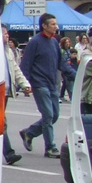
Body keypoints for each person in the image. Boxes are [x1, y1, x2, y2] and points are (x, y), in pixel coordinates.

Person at [18, 13, 74, 158]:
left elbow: (61, 63)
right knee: (48, 115)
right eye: (53, 24)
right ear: (44, 25)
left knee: (55, 115)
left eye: (56, 24)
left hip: (52, 84)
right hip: (39, 84)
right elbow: (26, 64)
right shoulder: (35, 42)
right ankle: (50, 148)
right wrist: (24, 84)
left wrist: (75, 75)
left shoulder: (54, 42)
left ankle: (29, 133)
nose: (56, 27)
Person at [1, 26, 31, 164]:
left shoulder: (8, 51)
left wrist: (24, 84)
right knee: (1, 122)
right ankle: (9, 153)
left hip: (6, 91)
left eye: (7, 33)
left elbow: (15, 69)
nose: (7, 36)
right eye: (5, 33)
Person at [58, 36, 77, 102]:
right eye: (66, 42)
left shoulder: (70, 50)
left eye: (69, 42)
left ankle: (61, 95)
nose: (68, 43)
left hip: (70, 68)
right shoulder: (62, 50)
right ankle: (71, 97)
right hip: (64, 69)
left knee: (65, 83)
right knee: (67, 82)